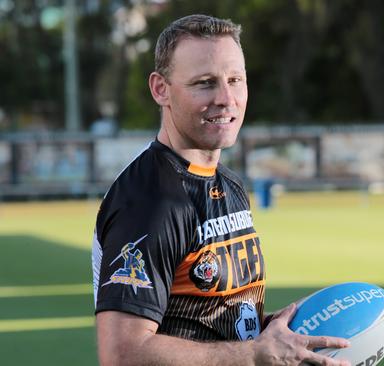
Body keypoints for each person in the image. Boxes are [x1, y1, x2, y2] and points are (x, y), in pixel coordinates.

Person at [92, 14, 350, 366]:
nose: (226, 98)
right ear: (160, 89)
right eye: (205, 83)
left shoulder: (228, 183)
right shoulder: (150, 199)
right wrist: (255, 353)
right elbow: (122, 354)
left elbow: (211, 317)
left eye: (235, 80)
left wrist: (268, 334)